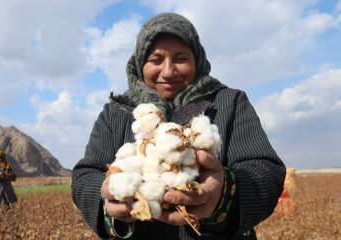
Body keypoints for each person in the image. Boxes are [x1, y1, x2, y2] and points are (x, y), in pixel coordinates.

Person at [72, 13, 285, 240]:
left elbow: (266, 172)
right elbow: (86, 175)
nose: (168, 71)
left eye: (180, 58)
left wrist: (223, 194)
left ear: (197, 60)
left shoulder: (229, 103)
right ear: (140, 64)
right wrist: (110, 200)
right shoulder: (116, 113)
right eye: (156, 60)